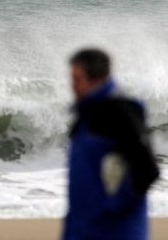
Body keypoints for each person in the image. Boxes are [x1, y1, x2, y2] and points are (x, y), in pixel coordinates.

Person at [64, 48, 159, 240]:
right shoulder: (84, 116)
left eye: (77, 79)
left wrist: (113, 208)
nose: (72, 86)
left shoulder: (119, 112)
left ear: (96, 79)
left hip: (116, 231)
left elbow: (147, 170)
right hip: (84, 229)